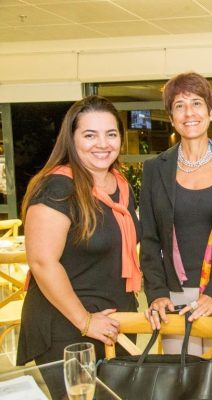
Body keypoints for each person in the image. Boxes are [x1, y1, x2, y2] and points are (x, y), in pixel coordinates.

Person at [140, 72, 212, 400]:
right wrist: (157, 293)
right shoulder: (154, 169)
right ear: (171, 116)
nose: (189, 112)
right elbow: (148, 238)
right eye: (179, 105)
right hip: (173, 299)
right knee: (181, 387)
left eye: (196, 103)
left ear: (211, 111)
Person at [17, 95, 141, 399]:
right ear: (71, 139)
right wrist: (85, 321)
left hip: (114, 323)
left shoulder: (120, 187)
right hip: (68, 327)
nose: (103, 144)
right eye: (90, 135)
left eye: (111, 134)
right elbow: (43, 262)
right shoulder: (58, 187)